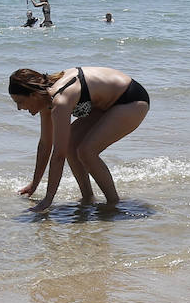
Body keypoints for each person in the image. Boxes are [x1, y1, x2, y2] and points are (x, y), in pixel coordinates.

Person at [8, 67, 150, 211]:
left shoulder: (60, 100)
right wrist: (34, 184)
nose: (19, 108)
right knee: (70, 145)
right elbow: (45, 145)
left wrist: (48, 199)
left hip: (130, 100)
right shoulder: (46, 100)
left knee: (87, 151)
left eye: (20, 101)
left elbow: (59, 155)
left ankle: (113, 203)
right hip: (104, 105)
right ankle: (88, 198)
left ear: (33, 95)